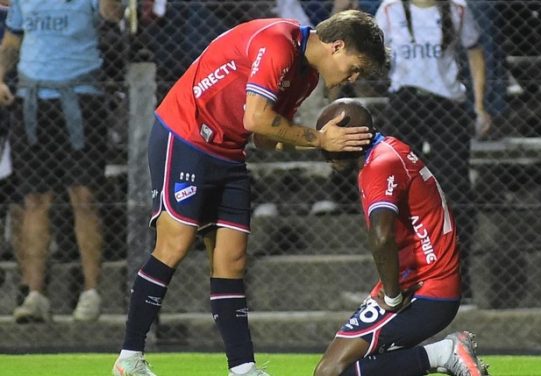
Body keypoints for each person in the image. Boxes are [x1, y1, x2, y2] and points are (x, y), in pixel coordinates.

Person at [112, 10, 388, 376]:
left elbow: (262, 137)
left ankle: (242, 368)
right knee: (173, 246)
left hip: (228, 150)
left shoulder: (306, 75)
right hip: (186, 135)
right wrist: (319, 138)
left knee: (232, 261)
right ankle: (129, 359)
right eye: (355, 67)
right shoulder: (278, 44)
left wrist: (321, 148)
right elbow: (256, 119)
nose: (353, 78)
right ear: (337, 46)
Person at [313, 98, 488, 376]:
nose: (323, 149)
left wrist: (393, 296)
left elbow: (381, 237)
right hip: (425, 281)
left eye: (330, 141)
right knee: (346, 370)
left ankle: (444, 353)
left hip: (425, 289)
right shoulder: (389, 149)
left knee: (330, 373)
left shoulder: (379, 166)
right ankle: (441, 353)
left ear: (353, 137)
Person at [0, 0, 124, 323]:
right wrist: (0, 75)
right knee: (34, 200)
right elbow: (13, 40)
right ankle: (36, 294)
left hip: (81, 97)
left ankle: (91, 292)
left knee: (84, 197)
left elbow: (114, 14)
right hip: (32, 100)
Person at [374, 0, 489, 301]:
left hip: (447, 104)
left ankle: (456, 279)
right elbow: (373, 53)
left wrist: (479, 106)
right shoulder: (390, 9)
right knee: (396, 191)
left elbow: (475, 53)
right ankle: (400, 278)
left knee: (455, 188)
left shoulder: (458, 9)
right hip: (405, 103)